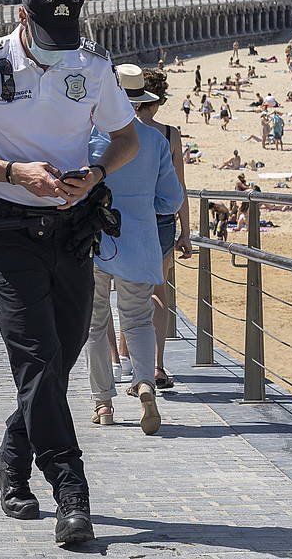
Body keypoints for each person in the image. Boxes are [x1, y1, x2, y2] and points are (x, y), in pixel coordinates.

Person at [0, 0, 140, 546]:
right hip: (9, 232)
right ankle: (71, 491)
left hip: (73, 231)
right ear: (23, 20)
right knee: (35, 359)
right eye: (49, 39)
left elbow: (126, 138)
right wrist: (12, 171)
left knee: (61, 357)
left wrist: (96, 174)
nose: (60, 49)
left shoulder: (92, 65)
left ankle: (9, 458)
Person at [83, 67, 184, 433]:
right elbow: (171, 199)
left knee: (95, 322)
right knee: (138, 319)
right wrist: (142, 205)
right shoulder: (155, 140)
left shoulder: (89, 139)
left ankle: (104, 403)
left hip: (95, 242)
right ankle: (144, 384)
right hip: (140, 242)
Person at [132, 68, 192, 390]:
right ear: (158, 101)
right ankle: (157, 365)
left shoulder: (120, 130)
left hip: (128, 218)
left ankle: (132, 359)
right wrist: (186, 231)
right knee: (157, 290)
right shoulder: (169, 135)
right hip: (161, 220)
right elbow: (179, 186)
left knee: (129, 290)